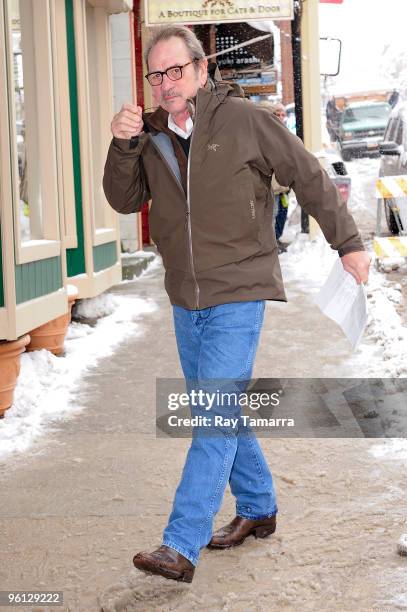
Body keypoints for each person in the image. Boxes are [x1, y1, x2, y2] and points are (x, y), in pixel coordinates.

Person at [103, 25, 371, 584]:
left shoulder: (244, 120)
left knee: (214, 411)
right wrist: (122, 144)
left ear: (202, 70)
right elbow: (124, 198)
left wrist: (348, 243)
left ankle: (182, 542)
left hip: (239, 289)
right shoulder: (150, 134)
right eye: (157, 74)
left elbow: (308, 176)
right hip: (185, 293)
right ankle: (258, 506)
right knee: (216, 407)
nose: (167, 82)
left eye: (177, 70)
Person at [259, 101, 290, 252]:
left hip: (282, 186)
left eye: (283, 114)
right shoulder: (266, 133)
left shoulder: (284, 132)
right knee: (273, 213)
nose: (280, 117)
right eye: (277, 114)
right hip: (272, 186)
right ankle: (271, 245)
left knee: (282, 215)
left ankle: (276, 240)